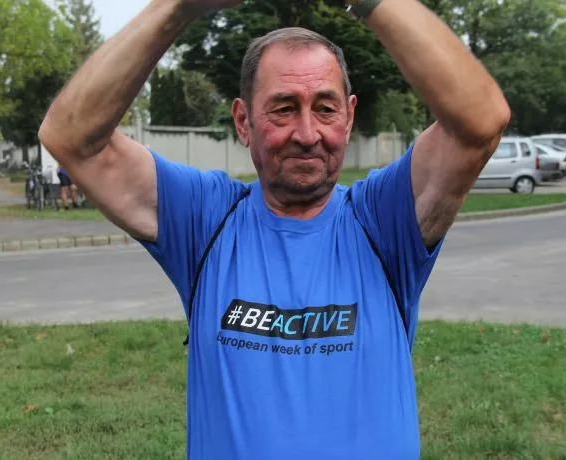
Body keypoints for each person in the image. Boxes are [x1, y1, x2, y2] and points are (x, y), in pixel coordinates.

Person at [39, 0, 510, 458]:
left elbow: (480, 123)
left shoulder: (385, 223)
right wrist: (178, 6)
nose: (307, 134)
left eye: (325, 108)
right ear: (243, 122)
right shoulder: (204, 220)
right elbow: (71, 138)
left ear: (348, 117)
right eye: (283, 108)